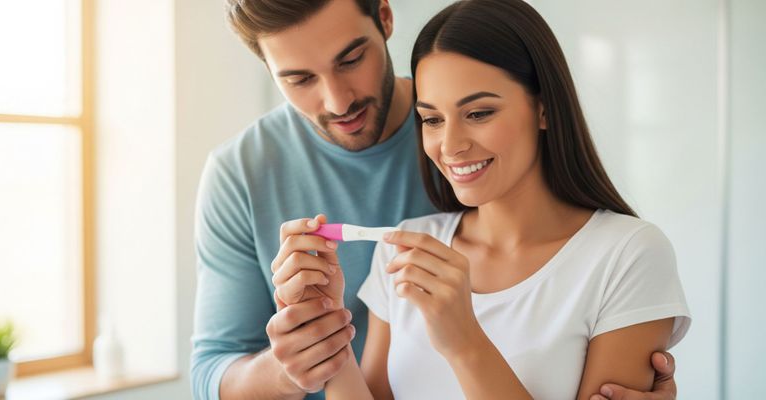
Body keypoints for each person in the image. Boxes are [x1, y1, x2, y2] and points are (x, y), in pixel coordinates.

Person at [192, 0, 683, 399]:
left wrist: (464, 340)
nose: (449, 146)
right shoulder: (408, 241)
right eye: (431, 119)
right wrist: (322, 340)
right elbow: (211, 368)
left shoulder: (628, 253)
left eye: (479, 112)